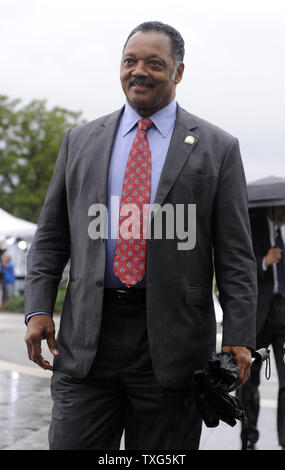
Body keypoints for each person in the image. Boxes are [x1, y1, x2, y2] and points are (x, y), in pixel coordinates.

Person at [24, 21, 257, 450]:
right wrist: (37, 308)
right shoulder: (80, 141)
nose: (139, 71)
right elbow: (51, 237)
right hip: (87, 344)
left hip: (173, 350)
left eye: (155, 63)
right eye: (130, 61)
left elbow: (236, 256)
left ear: (179, 72)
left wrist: (239, 335)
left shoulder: (218, 148)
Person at [238, 205, 285, 450]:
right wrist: (264, 261)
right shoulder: (252, 222)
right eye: (281, 208)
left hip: (283, 316)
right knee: (249, 382)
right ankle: (249, 439)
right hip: (258, 316)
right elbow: (238, 263)